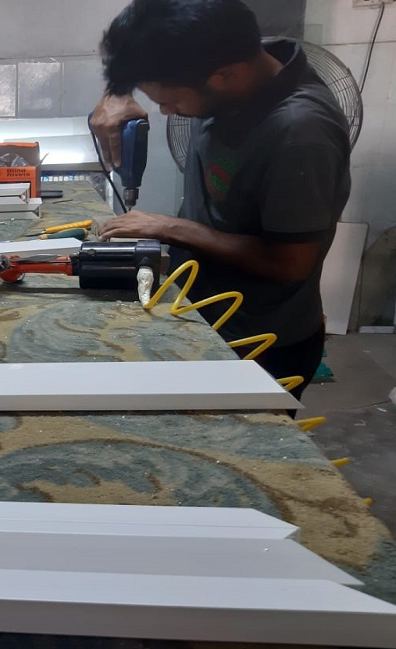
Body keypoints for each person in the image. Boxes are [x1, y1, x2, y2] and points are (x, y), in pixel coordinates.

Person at [91, 0, 351, 402]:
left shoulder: (299, 133)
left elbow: (290, 263)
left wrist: (170, 227)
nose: (165, 111)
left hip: (258, 340)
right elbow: (154, 38)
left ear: (225, 76)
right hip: (201, 312)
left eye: (170, 100)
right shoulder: (233, 55)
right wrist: (118, 92)